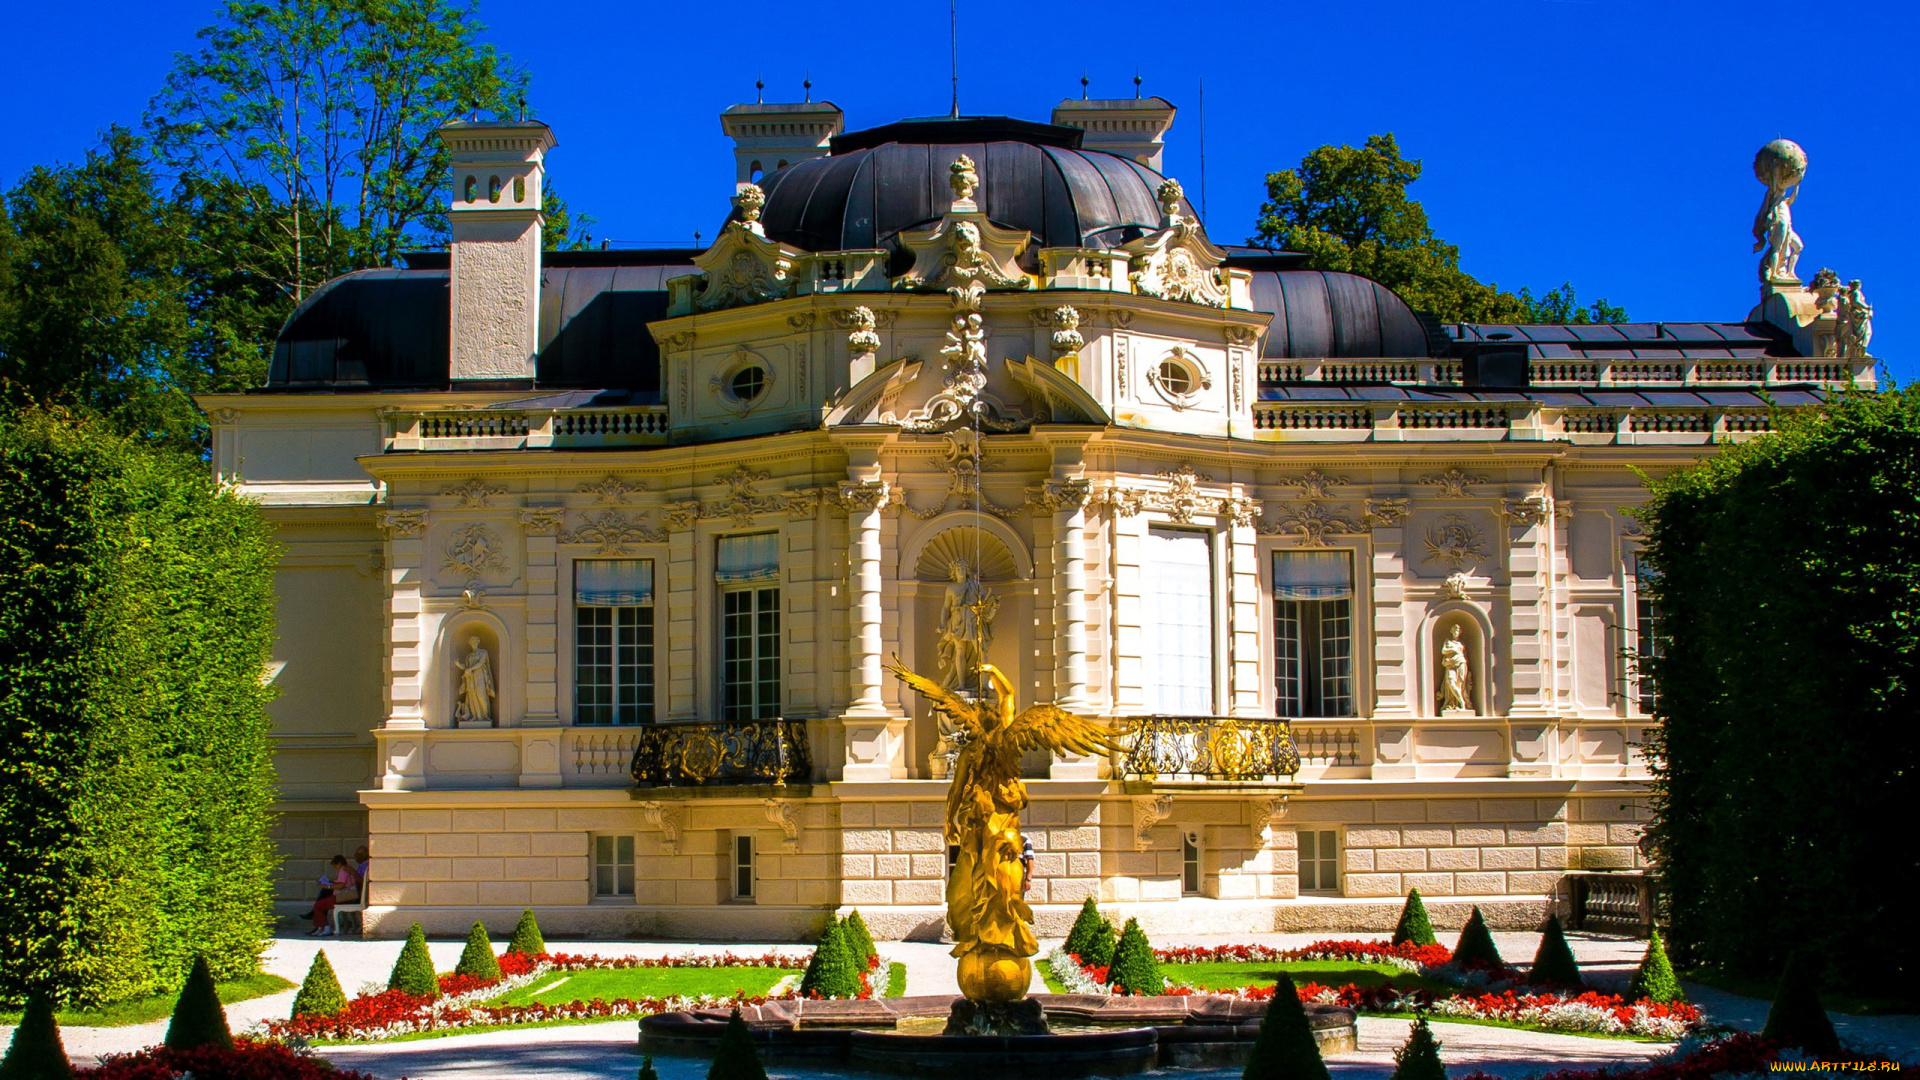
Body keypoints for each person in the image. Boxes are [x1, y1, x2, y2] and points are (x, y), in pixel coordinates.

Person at [311, 855, 360, 937]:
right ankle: (321, 927)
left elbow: (342, 885)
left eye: (335, 866)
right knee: (320, 904)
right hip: (350, 896)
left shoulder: (343, 870)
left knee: (318, 905)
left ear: (339, 863)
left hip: (343, 897)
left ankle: (325, 927)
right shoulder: (348, 868)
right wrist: (332, 882)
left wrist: (328, 886)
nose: (335, 868)